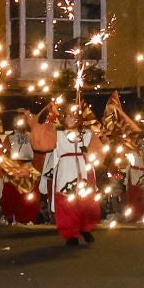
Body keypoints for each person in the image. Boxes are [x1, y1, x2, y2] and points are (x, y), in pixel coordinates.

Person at [43, 103, 100, 247]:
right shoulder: (57, 134)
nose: (72, 118)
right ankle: (71, 234)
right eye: (69, 115)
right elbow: (43, 144)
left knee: (87, 203)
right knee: (67, 202)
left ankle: (86, 228)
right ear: (63, 117)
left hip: (84, 169)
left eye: (75, 115)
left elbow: (98, 150)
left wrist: (91, 151)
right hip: (65, 169)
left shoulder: (87, 134)